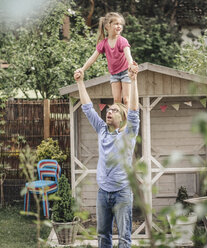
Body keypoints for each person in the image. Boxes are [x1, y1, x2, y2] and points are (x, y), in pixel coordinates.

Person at [74, 64, 139, 248]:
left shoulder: (128, 134)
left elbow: (134, 112)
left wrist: (133, 81)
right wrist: (80, 82)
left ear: (123, 117)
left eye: (114, 110)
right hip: (103, 192)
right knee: (103, 237)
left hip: (122, 193)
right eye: (108, 109)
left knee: (125, 239)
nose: (109, 112)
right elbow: (87, 108)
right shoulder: (102, 130)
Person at [75, 12, 138, 108]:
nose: (119, 26)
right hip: (114, 74)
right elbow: (93, 58)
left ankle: (128, 121)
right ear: (107, 26)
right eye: (116, 24)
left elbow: (128, 54)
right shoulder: (104, 43)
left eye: (120, 24)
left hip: (126, 72)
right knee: (116, 100)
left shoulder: (122, 40)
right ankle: (119, 121)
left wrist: (131, 64)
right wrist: (82, 69)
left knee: (126, 99)